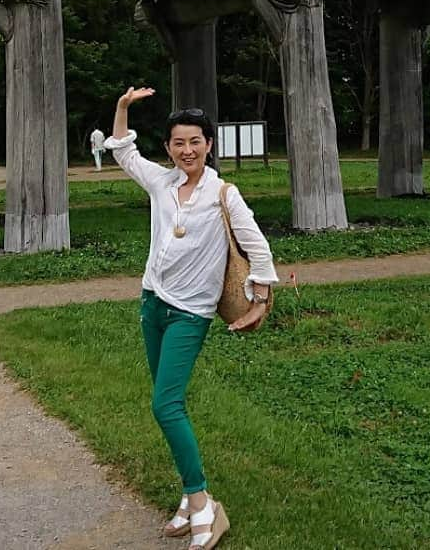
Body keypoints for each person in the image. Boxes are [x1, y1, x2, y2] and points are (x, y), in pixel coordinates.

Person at [105, 87, 278, 550]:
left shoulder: (224, 193)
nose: (187, 150)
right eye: (179, 143)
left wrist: (259, 300)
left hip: (190, 313)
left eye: (196, 141)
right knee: (167, 404)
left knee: (165, 405)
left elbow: (257, 247)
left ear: (209, 144)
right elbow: (124, 153)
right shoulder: (161, 183)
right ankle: (189, 496)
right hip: (152, 304)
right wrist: (123, 109)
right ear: (169, 148)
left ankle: (203, 503)